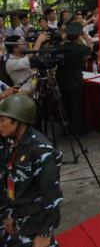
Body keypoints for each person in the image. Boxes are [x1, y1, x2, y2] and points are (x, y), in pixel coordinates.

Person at [0, 94, 63, 247]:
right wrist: (10, 214)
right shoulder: (14, 142)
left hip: (36, 223)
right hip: (19, 218)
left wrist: (45, 232)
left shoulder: (41, 150)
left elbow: (51, 194)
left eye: (2, 120)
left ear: (19, 121)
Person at [55, 22, 92, 135]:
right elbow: (89, 53)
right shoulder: (81, 48)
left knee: (65, 103)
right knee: (75, 104)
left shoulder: (59, 47)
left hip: (61, 78)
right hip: (75, 79)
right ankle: (75, 129)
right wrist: (86, 37)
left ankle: (65, 129)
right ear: (78, 36)